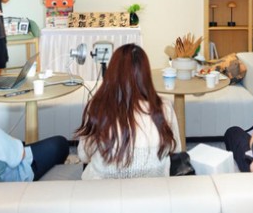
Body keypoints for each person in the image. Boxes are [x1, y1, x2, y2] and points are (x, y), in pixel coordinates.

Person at [74, 43, 180, 179]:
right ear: (146, 75)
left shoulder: (96, 107)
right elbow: (176, 148)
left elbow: (83, 156)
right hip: (153, 188)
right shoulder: (164, 107)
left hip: (101, 190)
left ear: (112, 73)